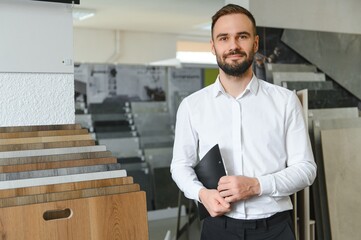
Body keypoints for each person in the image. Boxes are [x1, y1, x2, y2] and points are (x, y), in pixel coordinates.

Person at [170, 4, 317, 240]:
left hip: (275, 229)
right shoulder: (191, 106)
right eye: (224, 38)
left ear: (255, 43)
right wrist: (201, 194)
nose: (233, 46)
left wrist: (257, 185)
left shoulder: (285, 101)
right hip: (218, 228)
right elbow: (180, 166)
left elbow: (306, 169)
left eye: (242, 36)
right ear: (213, 46)